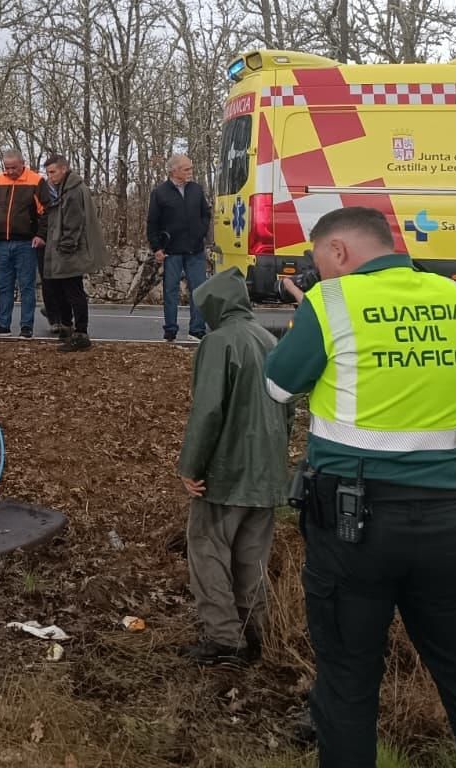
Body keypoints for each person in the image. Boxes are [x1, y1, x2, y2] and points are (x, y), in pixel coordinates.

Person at [265, 206, 456, 767]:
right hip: (450, 520)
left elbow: (278, 385)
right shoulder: (455, 299)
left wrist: (304, 315)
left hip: (354, 523)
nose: (317, 271)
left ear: (338, 252)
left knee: (348, 683)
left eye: (318, 259)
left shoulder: (331, 303)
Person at [176, 268, 289, 670]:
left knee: (208, 549)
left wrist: (191, 466)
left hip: (226, 473)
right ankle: (254, 632)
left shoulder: (219, 341)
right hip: (268, 473)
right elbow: (287, 406)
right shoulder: (267, 339)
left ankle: (224, 638)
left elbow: (207, 410)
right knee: (252, 556)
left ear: (214, 306)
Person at [40, 155, 104, 352]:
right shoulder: (66, 188)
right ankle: (67, 328)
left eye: (53, 172)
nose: (50, 177)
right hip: (62, 247)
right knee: (61, 289)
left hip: (69, 249)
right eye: (48, 173)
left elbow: (73, 221)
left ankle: (80, 333)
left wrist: (66, 246)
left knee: (73, 291)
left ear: (64, 169)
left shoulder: (73, 190)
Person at [147, 153, 213, 343]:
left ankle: (197, 330)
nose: (190, 172)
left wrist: (200, 233)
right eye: (186, 169)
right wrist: (157, 248)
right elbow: (152, 223)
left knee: (199, 290)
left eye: (191, 168)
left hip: (195, 250)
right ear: (174, 171)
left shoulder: (196, 190)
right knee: (170, 291)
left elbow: (205, 215)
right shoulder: (160, 193)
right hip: (171, 251)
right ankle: (170, 329)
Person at [0, 147, 46, 338]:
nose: (9, 172)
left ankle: (26, 326)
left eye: (13, 168)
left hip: (27, 243)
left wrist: (41, 235)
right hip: (2, 242)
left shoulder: (36, 181)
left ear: (22, 164)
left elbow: (46, 212)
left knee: (26, 285)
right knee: (4, 285)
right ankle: (3, 324)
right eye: (6, 168)